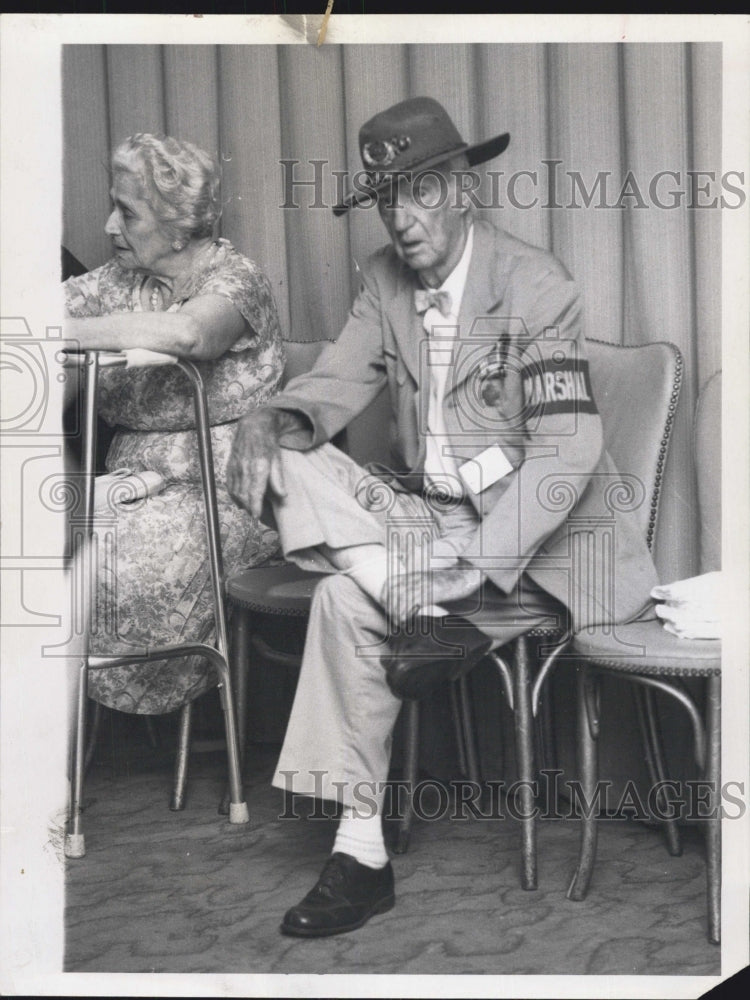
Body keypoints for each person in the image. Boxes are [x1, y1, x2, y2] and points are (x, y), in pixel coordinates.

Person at [227, 97, 659, 937]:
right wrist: (267, 418)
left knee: (341, 604)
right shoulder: (382, 281)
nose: (401, 217)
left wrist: (480, 562)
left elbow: (566, 453)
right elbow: (329, 391)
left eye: (419, 191)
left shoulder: (536, 285)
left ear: (461, 188)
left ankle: (357, 845)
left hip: (541, 541)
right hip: (428, 530)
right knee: (282, 453)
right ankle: (418, 615)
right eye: (387, 198)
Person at [64, 133, 284, 716]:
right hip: (128, 485)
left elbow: (190, 335)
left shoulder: (236, 278)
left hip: (228, 492)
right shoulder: (112, 283)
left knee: (118, 561)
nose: (110, 226)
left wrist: (54, 327)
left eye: (128, 211)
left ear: (178, 225)